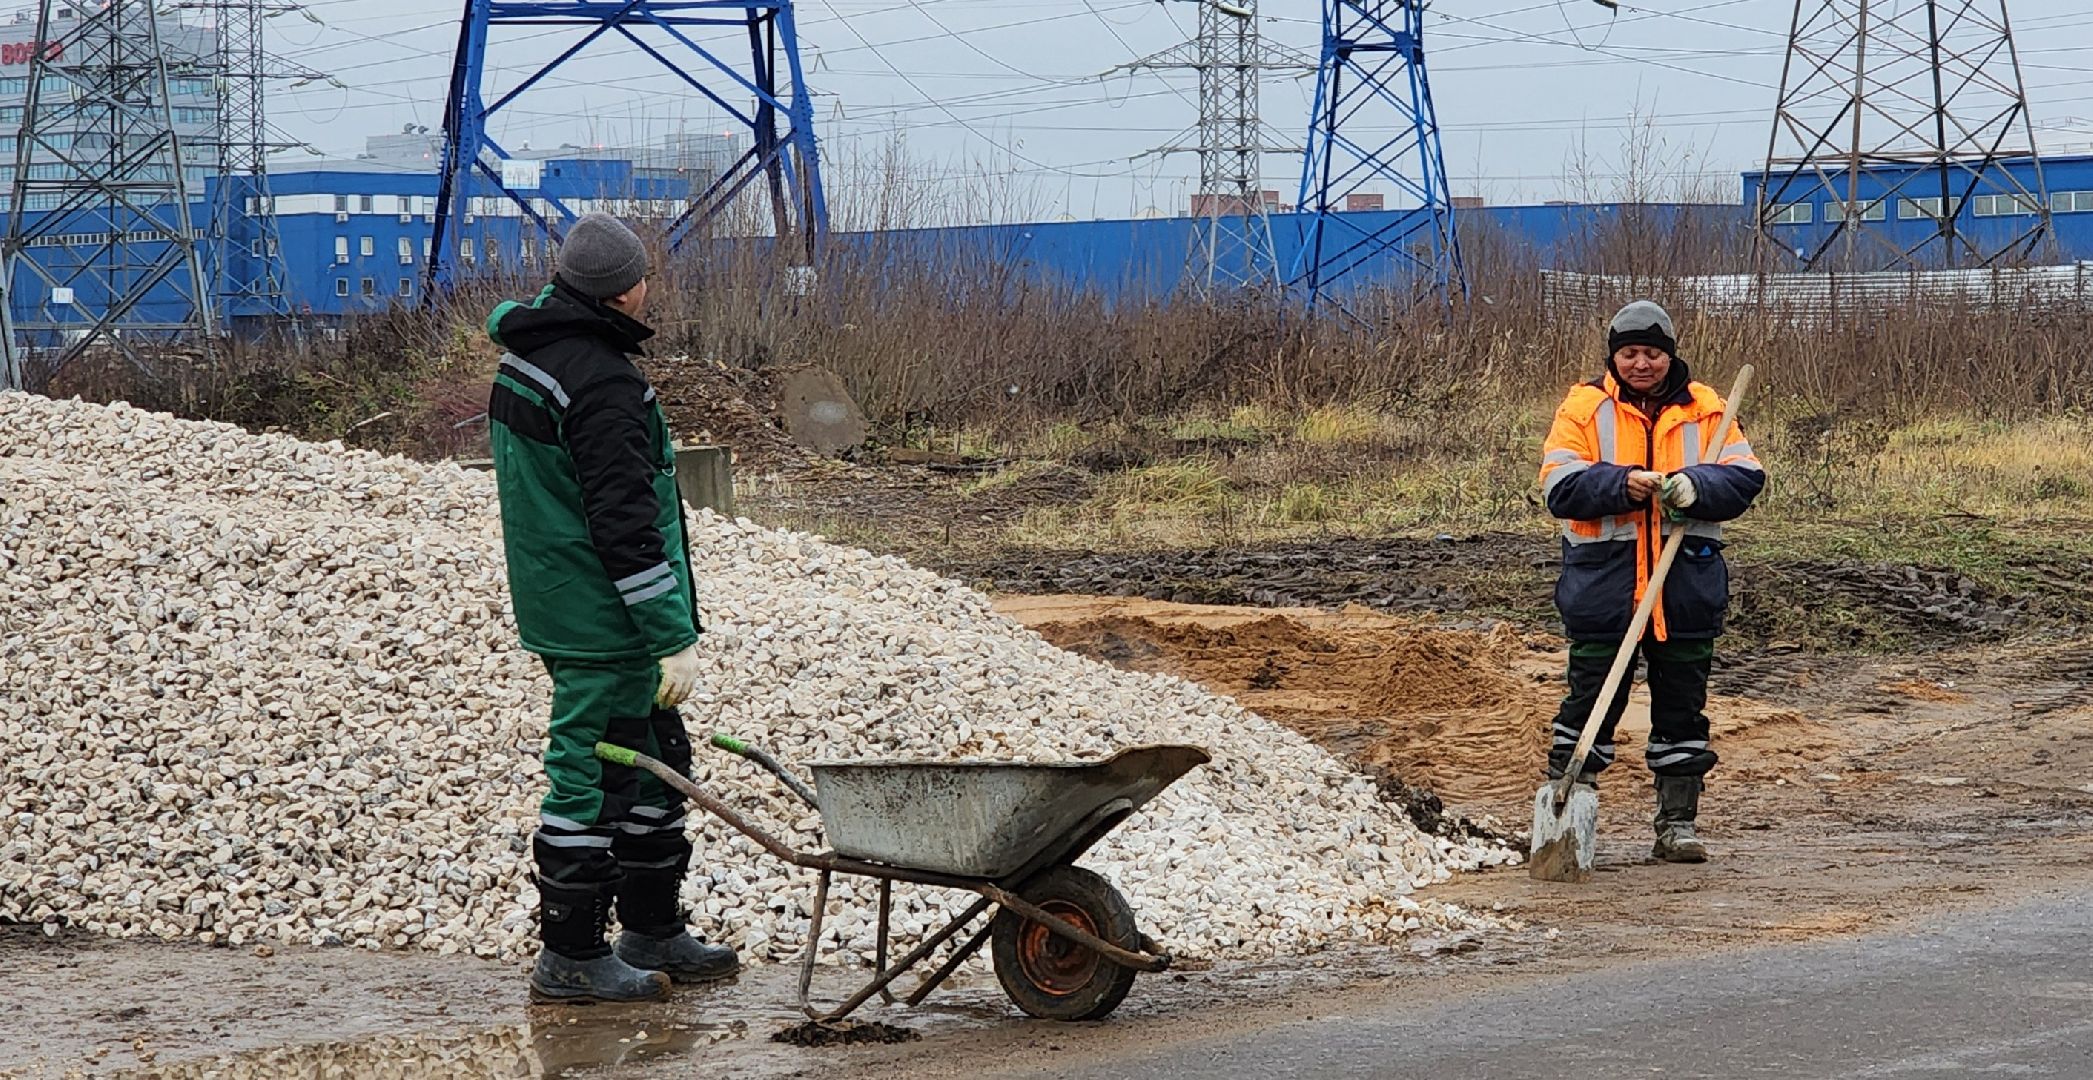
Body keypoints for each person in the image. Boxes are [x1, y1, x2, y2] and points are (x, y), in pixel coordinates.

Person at [486, 213, 738, 1002]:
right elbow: (624, 524)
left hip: (571, 599)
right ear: (624, 291)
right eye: (643, 277)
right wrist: (671, 634)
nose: (647, 287)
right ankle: (571, 955)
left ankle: (652, 928)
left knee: (657, 764)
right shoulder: (599, 381)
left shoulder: (535, 356)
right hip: (599, 619)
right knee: (590, 776)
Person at [1536, 300, 1766, 863]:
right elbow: (1559, 486)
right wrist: (1623, 484)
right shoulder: (1584, 408)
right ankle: (1569, 820)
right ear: (1614, 356)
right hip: (1603, 593)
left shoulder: (1707, 409)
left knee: (1682, 713)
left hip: (1685, 589)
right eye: (1631, 353)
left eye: (1653, 354)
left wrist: (1696, 486)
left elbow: (1744, 479)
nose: (1642, 364)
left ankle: (1677, 826)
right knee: (1587, 708)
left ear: (1670, 355)